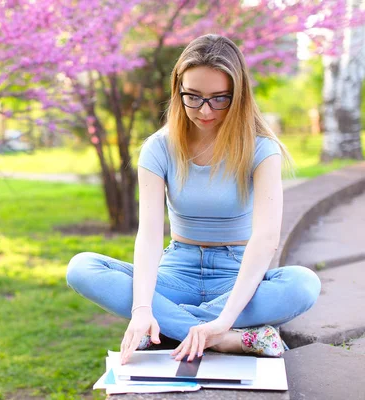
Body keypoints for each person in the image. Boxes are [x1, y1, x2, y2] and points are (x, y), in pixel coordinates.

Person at [66, 34, 321, 365]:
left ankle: (177, 327)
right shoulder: (159, 148)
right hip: (176, 273)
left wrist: (225, 317)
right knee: (82, 267)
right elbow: (149, 234)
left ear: (239, 95)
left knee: (303, 285)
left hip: (236, 276)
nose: (205, 110)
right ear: (178, 90)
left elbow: (266, 238)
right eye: (193, 97)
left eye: (219, 99)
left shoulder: (261, 150)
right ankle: (229, 340)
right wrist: (143, 308)